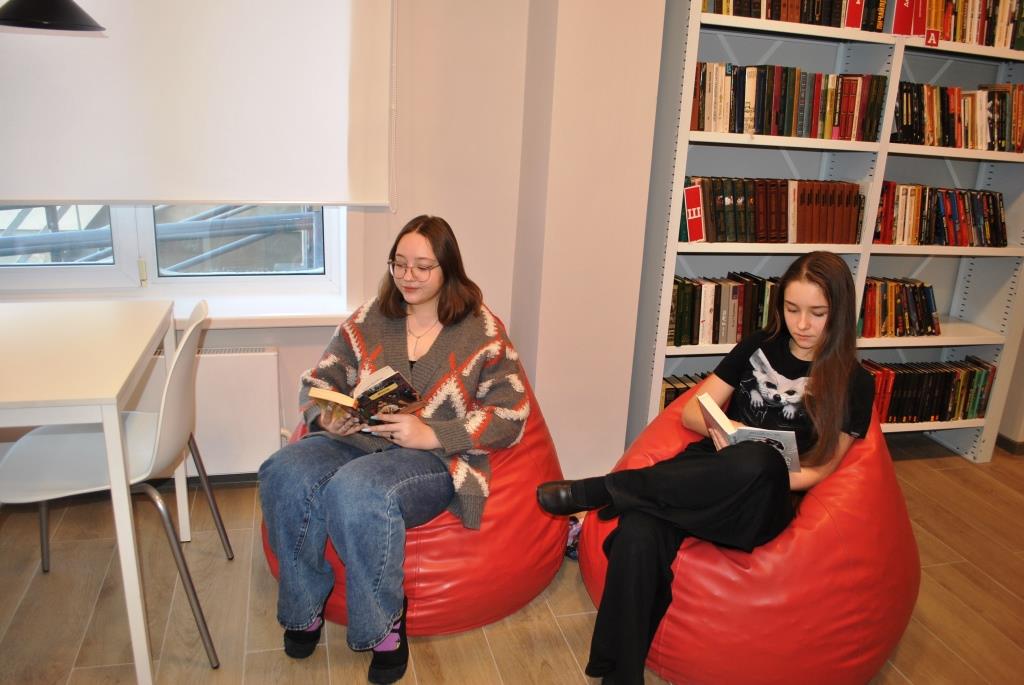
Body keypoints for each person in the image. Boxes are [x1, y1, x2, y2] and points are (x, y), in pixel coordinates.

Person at [537, 251, 875, 684]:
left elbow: (822, 469)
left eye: (817, 313)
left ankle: (605, 489)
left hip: (767, 497)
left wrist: (760, 462)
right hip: (706, 476)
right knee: (638, 534)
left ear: (840, 313)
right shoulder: (758, 346)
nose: (802, 324)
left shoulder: (854, 381)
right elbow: (692, 413)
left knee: (760, 459)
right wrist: (730, 430)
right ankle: (619, 676)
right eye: (792, 309)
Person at [259, 215, 529, 684]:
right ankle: (303, 606)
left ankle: (383, 626)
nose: (408, 276)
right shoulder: (369, 318)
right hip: (356, 439)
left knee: (357, 490)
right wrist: (326, 416)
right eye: (399, 264)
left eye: (423, 267)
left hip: (432, 460)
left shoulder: (482, 331)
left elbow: (512, 415)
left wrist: (433, 434)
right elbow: (320, 380)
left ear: (448, 268)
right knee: (282, 470)